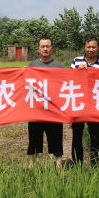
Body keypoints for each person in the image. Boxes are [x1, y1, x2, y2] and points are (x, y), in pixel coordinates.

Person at [27, 37, 64, 169]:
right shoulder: (31, 65)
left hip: (53, 109)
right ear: (38, 49)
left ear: (52, 49)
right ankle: (31, 164)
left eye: (48, 46)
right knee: (34, 137)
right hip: (36, 109)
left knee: (56, 136)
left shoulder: (59, 66)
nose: (45, 49)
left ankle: (58, 163)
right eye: (43, 46)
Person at [70, 37, 99, 166]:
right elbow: (69, 80)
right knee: (77, 134)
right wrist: (78, 71)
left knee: (95, 134)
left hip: (95, 104)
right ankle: (77, 162)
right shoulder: (76, 61)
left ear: (98, 48)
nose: (91, 49)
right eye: (88, 47)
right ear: (84, 47)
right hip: (78, 103)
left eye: (94, 47)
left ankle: (96, 163)